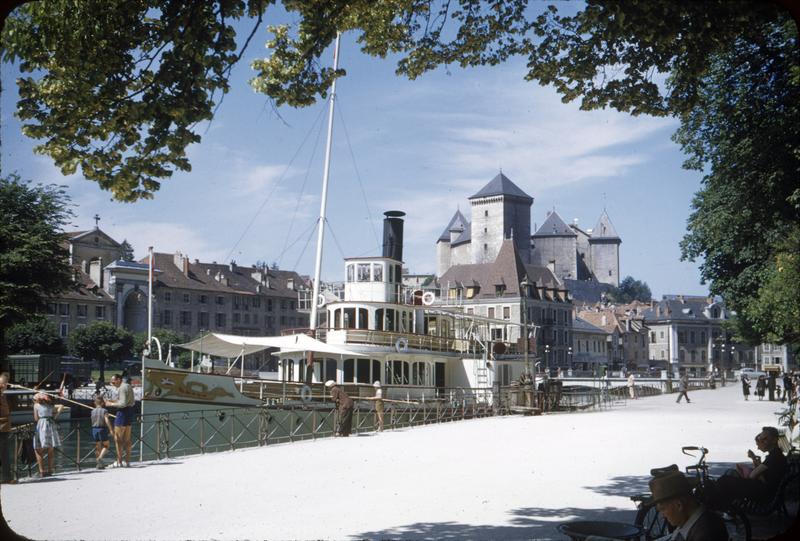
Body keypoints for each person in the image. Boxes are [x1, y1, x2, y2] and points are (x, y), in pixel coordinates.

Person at [710, 426, 788, 508]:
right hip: (767, 490)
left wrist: (753, 459)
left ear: (774, 440)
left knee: (725, 480)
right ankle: (723, 507)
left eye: (765, 439)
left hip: (764, 494)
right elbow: (762, 473)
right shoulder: (776, 454)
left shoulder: (774, 456)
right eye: (760, 438)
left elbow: (752, 476)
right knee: (729, 476)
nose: (761, 441)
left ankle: (716, 506)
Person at [649, 470, 728, 541]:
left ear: (679, 505)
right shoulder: (689, 524)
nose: (663, 516)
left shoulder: (706, 533)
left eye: (663, 509)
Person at [105, 374, 135, 467]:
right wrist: (114, 401)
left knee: (117, 439)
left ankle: (119, 462)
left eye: (113, 382)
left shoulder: (122, 388)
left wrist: (110, 404)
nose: (112, 383)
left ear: (119, 380)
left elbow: (122, 403)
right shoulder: (128, 386)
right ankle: (127, 461)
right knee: (127, 439)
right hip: (129, 412)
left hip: (122, 413)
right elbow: (129, 401)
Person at [32, 392, 65, 477]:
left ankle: (42, 471)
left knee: (38, 449)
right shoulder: (50, 405)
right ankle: (50, 470)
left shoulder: (36, 405)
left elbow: (36, 418)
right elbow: (61, 406)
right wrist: (55, 416)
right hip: (51, 425)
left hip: (41, 426)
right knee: (50, 449)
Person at [90, 396, 114, 469]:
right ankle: (100, 458)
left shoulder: (92, 411)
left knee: (98, 446)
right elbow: (106, 420)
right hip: (102, 429)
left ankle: (99, 464)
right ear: (102, 403)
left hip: (94, 429)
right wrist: (111, 429)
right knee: (106, 445)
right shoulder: (104, 411)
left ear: (95, 403)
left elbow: (92, 420)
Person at [0, 373, 16, 484]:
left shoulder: (2, 395)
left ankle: (6, 477)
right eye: (3, 383)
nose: (5, 385)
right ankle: (6, 477)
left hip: (4, 428)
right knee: (3, 454)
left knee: (4, 453)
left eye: (5, 383)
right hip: (1, 427)